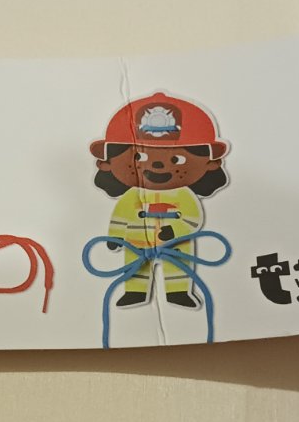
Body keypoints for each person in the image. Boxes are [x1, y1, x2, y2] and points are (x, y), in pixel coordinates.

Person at [88, 92, 230, 308]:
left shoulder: (184, 195)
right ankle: (134, 292)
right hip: (135, 242)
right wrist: (115, 236)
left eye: (176, 159)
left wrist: (175, 230)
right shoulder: (131, 196)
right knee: (135, 267)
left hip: (176, 244)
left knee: (179, 268)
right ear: (106, 163)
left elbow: (192, 218)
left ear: (211, 163)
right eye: (139, 157)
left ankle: (179, 293)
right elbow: (120, 217)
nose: (157, 165)